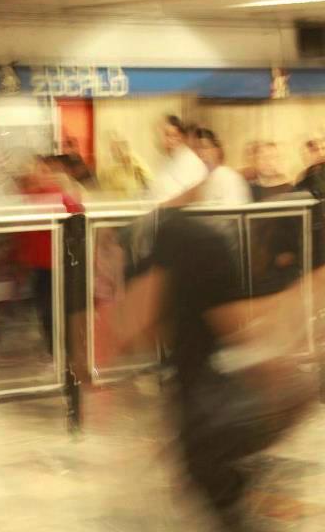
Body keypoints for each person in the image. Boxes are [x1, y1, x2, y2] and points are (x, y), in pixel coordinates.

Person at [117, 211, 315, 530]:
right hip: (208, 429)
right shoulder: (203, 249)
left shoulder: (180, 251)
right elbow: (242, 335)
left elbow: (138, 330)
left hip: (201, 431)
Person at [15, 156, 83, 355]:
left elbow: (76, 216)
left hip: (56, 263)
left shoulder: (56, 194)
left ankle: (62, 350)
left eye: (43, 170)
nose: (38, 174)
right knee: (47, 308)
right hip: (43, 264)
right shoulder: (34, 194)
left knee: (53, 308)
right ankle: (58, 349)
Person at [149, 115, 209, 205]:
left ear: (180, 137)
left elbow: (190, 196)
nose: (163, 139)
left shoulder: (191, 162)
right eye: (160, 134)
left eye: (170, 135)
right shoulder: (166, 160)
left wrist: (165, 205)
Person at [193, 128, 252, 206]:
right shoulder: (197, 180)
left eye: (205, 147)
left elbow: (234, 211)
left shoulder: (229, 177)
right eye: (196, 149)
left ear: (217, 150)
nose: (201, 153)